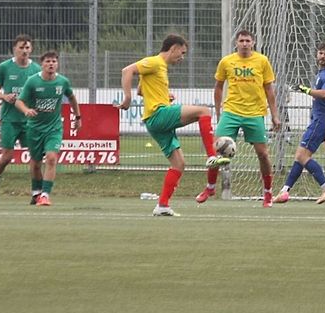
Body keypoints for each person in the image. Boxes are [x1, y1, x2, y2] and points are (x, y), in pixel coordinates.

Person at [120, 34, 224, 217]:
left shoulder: (159, 68)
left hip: (155, 122)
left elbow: (141, 90)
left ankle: (162, 205)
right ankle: (211, 156)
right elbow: (127, 71)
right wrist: (127, 98)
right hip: (157, 115)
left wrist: (163, 95)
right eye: (182, 53)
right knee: (204, 112)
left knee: (179, 164)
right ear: (173, 47)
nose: (182, 57)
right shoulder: (154, 62)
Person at [205, 30, 282, 207]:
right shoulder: (227, 61)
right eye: (241, 40)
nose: (245, 43)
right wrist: (218, 112)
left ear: (253, 43)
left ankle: (268, 193)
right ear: (236, 43)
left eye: (248, 40)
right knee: (216, 148)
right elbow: (218, 87)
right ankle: (209, 187)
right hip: (231, 111)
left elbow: (269, 90)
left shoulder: (262, 61)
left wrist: (275, 116)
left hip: (255, 113)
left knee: (262, 154)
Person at [273, 42, 325, 204]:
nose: (322, 56)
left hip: (321, 120)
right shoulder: (322, 73)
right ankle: (285, 191)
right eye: (320, 53)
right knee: (302, 157)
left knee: (301, 155)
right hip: (318, 120)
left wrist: (306, 90)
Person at [15, 51, 81, 206]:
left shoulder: (62, 82)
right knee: (36, 162)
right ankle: (36, 192)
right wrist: (26, 110)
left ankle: (45, 195)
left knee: (51, 158)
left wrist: (78, 117)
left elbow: (71, 97)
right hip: (34, 129)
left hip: (54, 128)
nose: (51, 64)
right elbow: (19, 102)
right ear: (42, 64)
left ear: (57, 64)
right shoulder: (33, 82)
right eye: (47, 62)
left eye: (53, 61)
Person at [0, 34, 42, 205]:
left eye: (27, 48)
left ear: (31, 49)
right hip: (10, 119)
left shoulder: (36, 70)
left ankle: (36, 193)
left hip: (29, 121)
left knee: (35, 157)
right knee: (7, 157)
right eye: (21, 48)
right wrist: (5, 96)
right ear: (14, 49)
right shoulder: (5, 67)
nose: (24, 51)